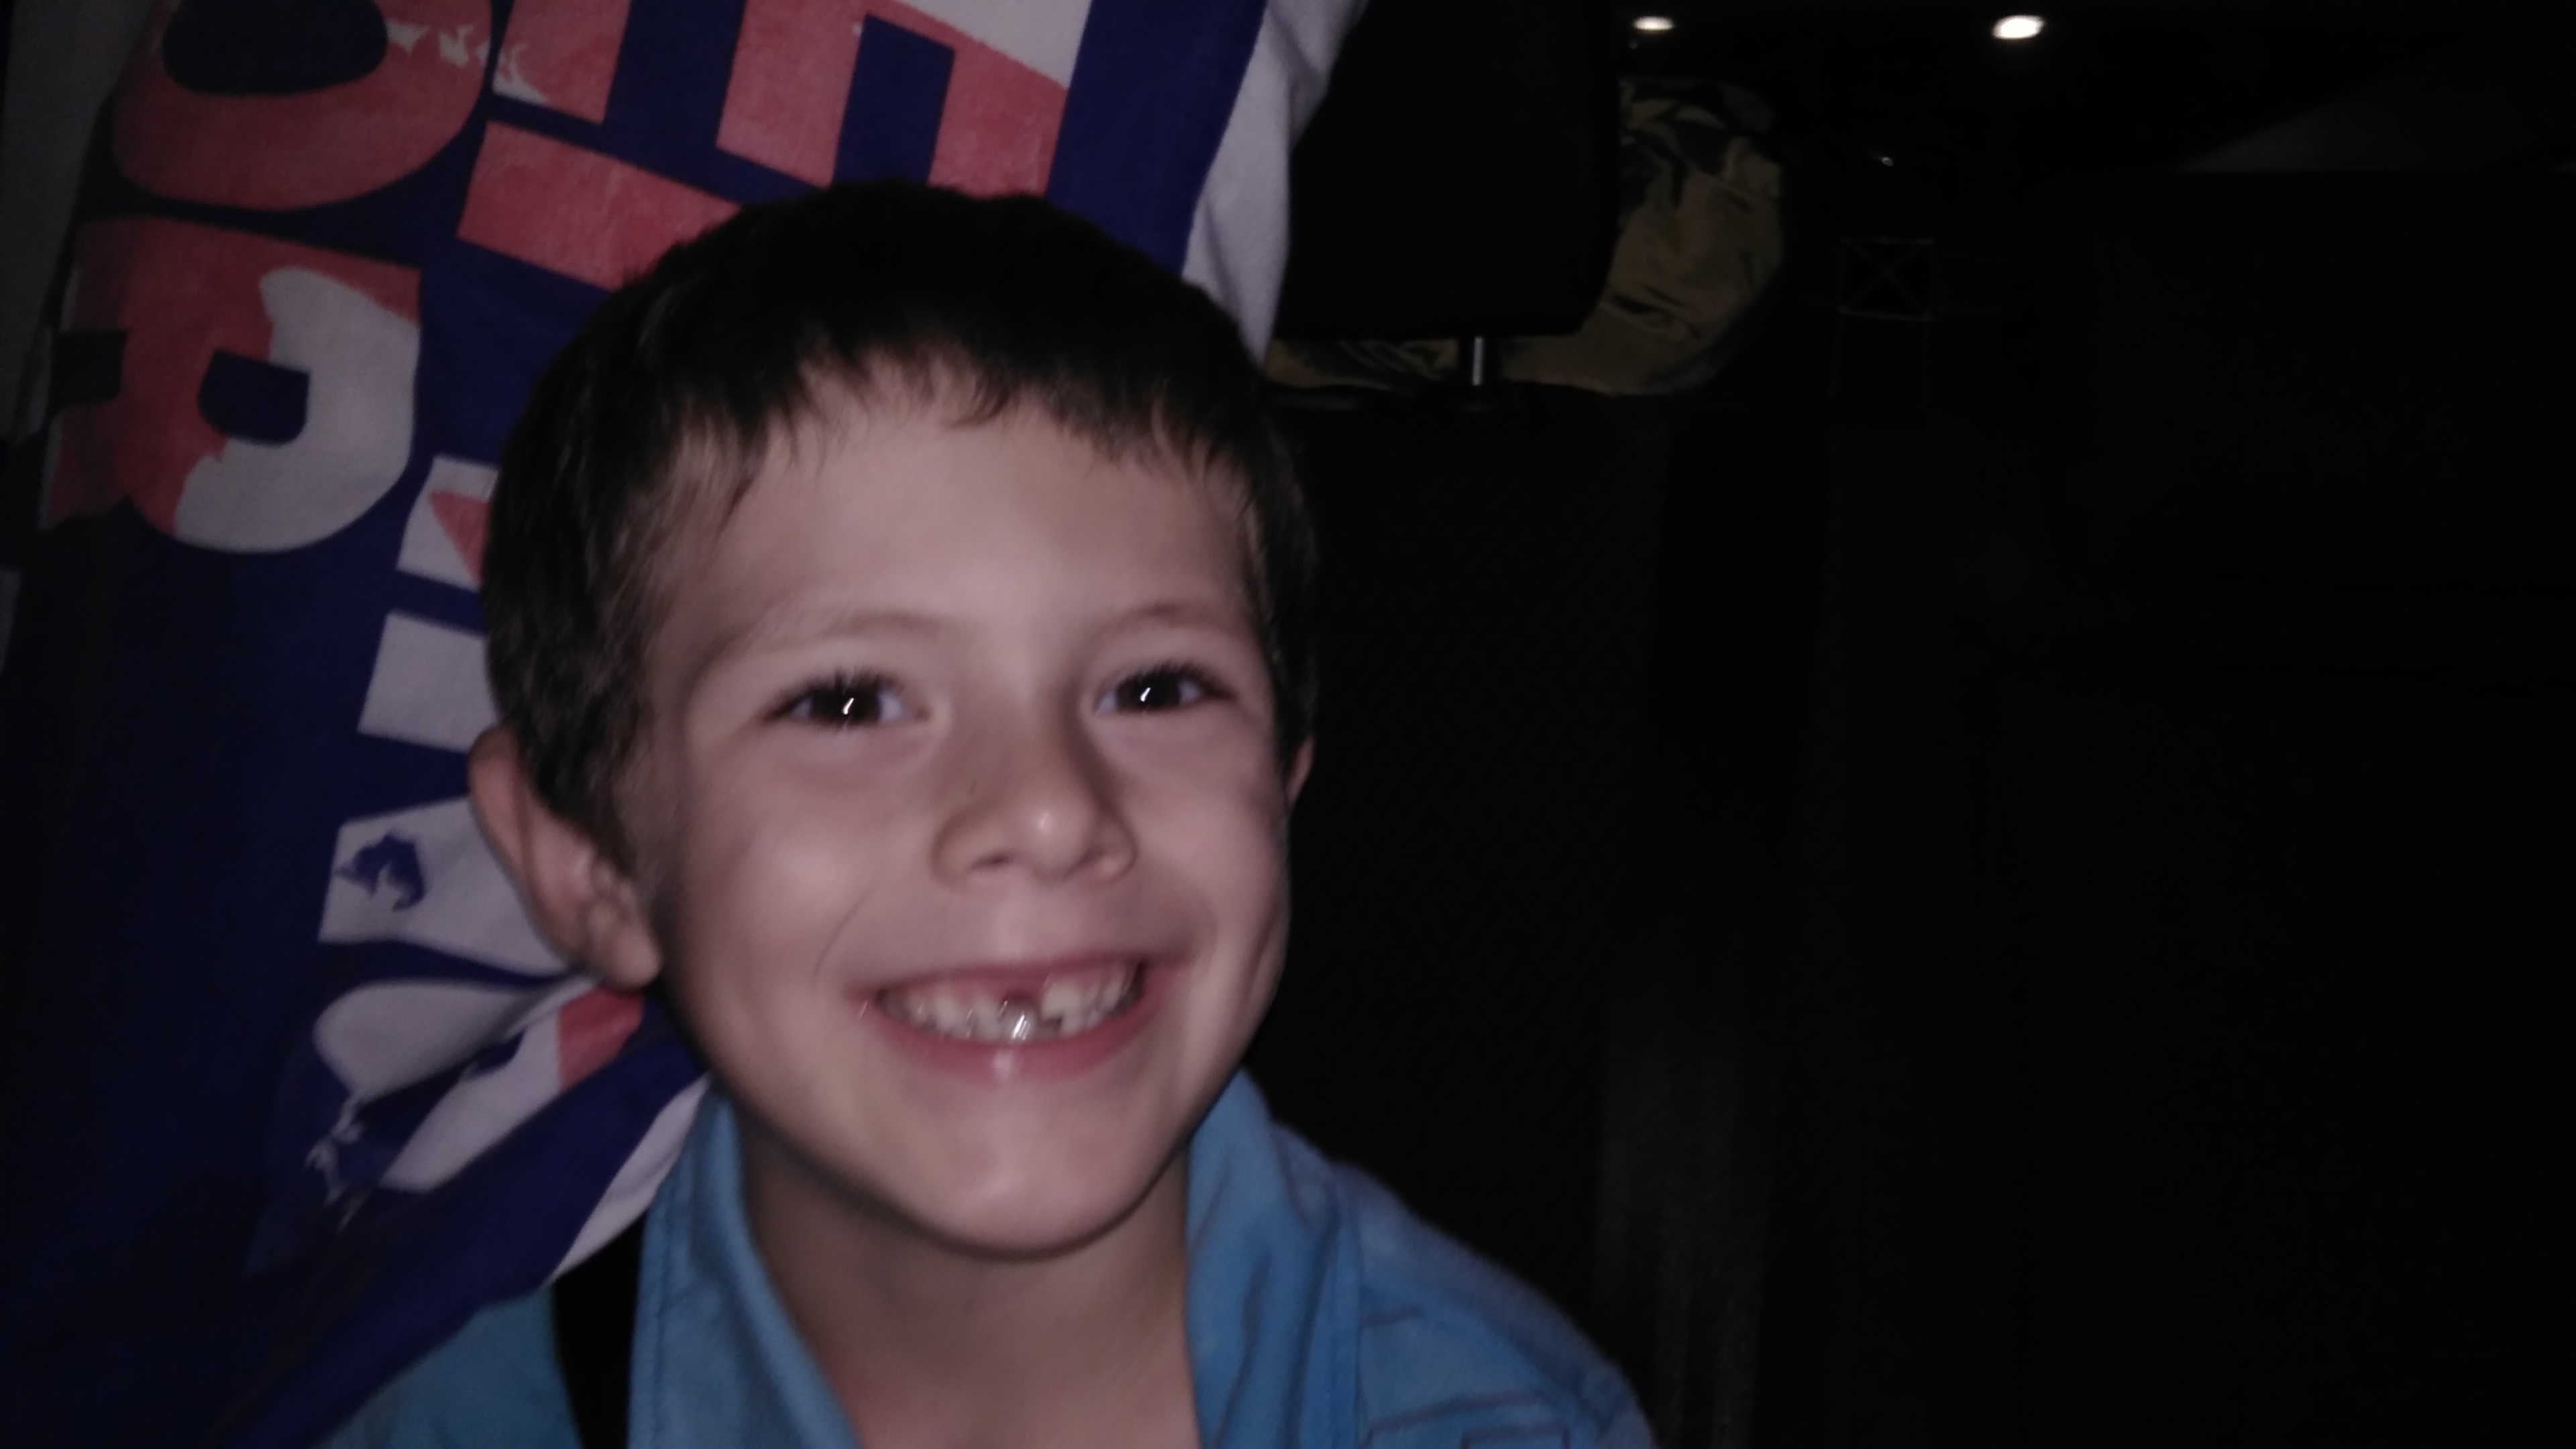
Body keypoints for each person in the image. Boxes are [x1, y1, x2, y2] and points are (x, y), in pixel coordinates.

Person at [324, 182, 1651, 1449]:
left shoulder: (1502, 1424)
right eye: (849, 703)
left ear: (1281, 786)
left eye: (1156, 688)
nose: (1050, 810)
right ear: (588, 858)